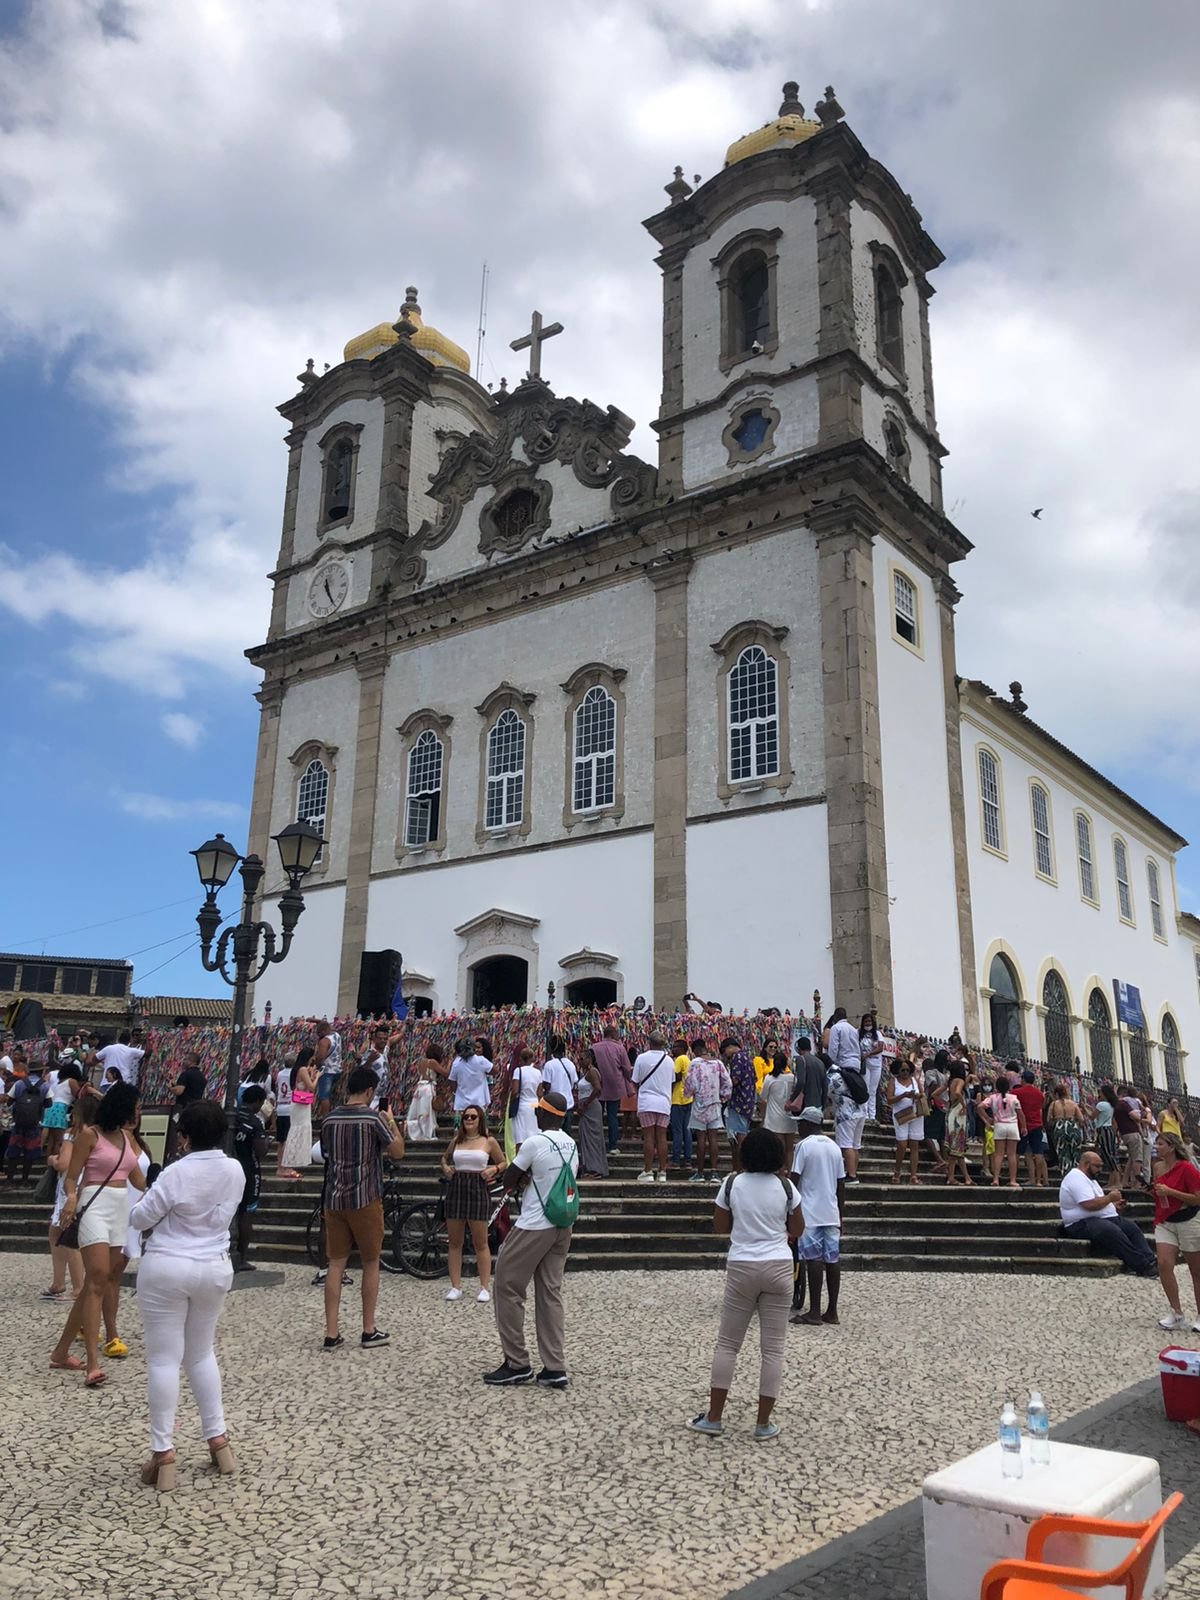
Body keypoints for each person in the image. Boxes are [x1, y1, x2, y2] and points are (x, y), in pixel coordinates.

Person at [128, 1098, 246, 1491]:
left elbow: (140, 1217)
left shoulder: (177, 1172)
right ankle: (218, 1440)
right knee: (202, 1353)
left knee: (164, 1359)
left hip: (168, 1265)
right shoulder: (235, 1170)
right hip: (213, 1265)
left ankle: (163, 1452)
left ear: (185, 1136)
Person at [688, 1127, 803, 1440]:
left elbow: (720, 1227)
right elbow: (798, 1228)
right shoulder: (786, 1186)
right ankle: (763, 1423)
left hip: (742, 1264)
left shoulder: (732, 1183)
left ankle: (714, 1417)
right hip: (779, 1264)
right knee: (773, 1349)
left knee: (728, 1344)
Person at [49, 1081, 146, 1386]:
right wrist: (72, 1199)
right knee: (98, 1278)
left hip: (120, 1210)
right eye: (136, 1106)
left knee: (98, 1282)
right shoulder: (90, 1135)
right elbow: (71, 1177)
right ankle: (92, 1362)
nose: (139, 1111)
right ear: (123, 1106)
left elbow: (139, 1180)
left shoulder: (128, 1138)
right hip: (93, 1204)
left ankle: (62, 1350)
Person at [485, 1091, 579, 1387]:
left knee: (506, 1283)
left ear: (545, 1114)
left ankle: (517, 1361)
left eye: (539, 1110)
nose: (535, 1114)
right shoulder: (571, 1143)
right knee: (550, 1292)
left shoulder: (536, 1142)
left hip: (534, 1224)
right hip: (562, 1223)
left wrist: (521, 1176)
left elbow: (510, 1178)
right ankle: (554, 1366)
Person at [319, 1064, 405, 1349]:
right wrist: (390, 1121)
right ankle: (368, 1329)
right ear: (369, 1090)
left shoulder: (329, 1119)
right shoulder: (373, 1118)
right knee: (370, 1261)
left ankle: (331, 1333)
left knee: (336, 1263)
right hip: (365, 1196)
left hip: (334, 1197)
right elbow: (398, 1152)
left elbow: (327, 1153)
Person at [440, 1106, 506, 1303]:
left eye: (473, 1116)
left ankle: (484, 1286)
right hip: (457, 1186)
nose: (469, 1119)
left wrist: (493, 1169)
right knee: (454, 1241)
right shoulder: (457, 1140)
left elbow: (503, 1162)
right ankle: (455, 1286)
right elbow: (444, 1158)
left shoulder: (489, 1141)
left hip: (477, 1187)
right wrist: (445, 1168)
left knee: (480, 1242)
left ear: (480, 1119)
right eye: (466, 1116)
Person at [1058, 1147, 1157, 1276]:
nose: (1100, 1170)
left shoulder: (1090, 1179)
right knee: (1111, 1231)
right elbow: (1089, 1204)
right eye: (1097, 1166)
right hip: (1080, 1223)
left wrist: (1112, 1204)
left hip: (1100, 1218)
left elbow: (1098, 1200)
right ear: (1086, 1164)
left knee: (1130, 1227)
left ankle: (1150, 1260)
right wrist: (1110, 1198)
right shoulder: (1075, 1178)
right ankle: (1142, 1265)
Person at [790, 1106, 846, 1325]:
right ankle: (832, 1310)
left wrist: (789, 1210)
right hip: (831, 1211)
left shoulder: (803, 1146)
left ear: (809, 1124)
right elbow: (841, 1184)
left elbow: (794, 1178)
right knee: (832, 1260)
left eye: (800, 1122)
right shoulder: (834, 1147)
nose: (798, 1126)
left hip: (810, 1211)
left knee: (812, 1259)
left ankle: (814, 1311)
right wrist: (841, 1214)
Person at [42, 1093, 94, 1302]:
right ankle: (58, 1282)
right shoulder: (96, 1134)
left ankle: (76, 1287)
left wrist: (53, 1160)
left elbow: (63, 1163)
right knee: (55, 1233)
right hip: (85, 1182)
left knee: (67, 1237)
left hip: (69, 1186)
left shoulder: (73, 1134)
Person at [1152, 1130, 1200, 1333]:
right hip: (1166, 1220)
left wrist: (1171, 1192)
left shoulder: (1187, 1168)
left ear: (1171, 1147)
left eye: (1160, 1144)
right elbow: (1159, 1192)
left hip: (1188, 1218)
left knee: (1196, 1271)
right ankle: (1176, 1312)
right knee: (1164, 1264)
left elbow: (1197, 1198)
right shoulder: (1157, 1167)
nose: (1157, 1147)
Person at [231, 1084, 268, 1272]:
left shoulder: (232, 1117)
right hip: (249, 1170)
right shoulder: (254, 1122)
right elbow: (261, 1151)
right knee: (247, 1212)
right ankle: (242, 1257)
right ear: (258, 1102)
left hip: (229, 1166)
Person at [631, 1032, 675, 1183]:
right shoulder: (669, 1061)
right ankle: (662, 1172)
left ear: (649, 1042)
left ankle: (648, 1170)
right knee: (661, 1137)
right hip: (664, 1102)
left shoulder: (641, 1058)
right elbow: (672, 1081)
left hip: (647, 1101)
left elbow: (635, 1080)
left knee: (649, 1137)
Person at [685, 1040, 731, 1184]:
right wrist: (723, 1096)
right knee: (713, 1139)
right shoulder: (718, 1063)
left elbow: (689, 1084)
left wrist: (689, 1094)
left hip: (699, 1104)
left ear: (694, 1051)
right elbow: (728, 1083)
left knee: (700, 1139)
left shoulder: (694, 1064)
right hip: (715, 1104)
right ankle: (714, 1172)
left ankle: (700, 1172)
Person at [979, 1072, 1026, 1190]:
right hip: (1012, 1126)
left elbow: (979, 1107)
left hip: (999, 1125)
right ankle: (1013, 1180)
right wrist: (1024, 1127)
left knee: (998, 1154)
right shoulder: (1014, 1098)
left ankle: (995, 1179)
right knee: (1011, 1154)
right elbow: (1021, 1114)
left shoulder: (993, 1098)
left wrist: (987, 1118)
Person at [591, 1026, 632, 1153]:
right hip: (615, 1086)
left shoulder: (594, 1047)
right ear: (614, 1034)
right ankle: (613, 1146)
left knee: (597, 1116)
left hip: (597, 1085)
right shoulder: (620, 1048)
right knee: (612, 1116)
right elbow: (627, 1068)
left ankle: (596, 1145)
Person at [6, 1057, 46, 1185]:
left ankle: (9, 1180)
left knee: (13, 1152)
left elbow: (9, 1101)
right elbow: (49, 1103)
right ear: (41, 1071)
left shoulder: (18, 1084)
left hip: (18, 1124)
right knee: (30, 1154)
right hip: (34, 1125)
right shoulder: (45, 1086)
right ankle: (25, 1180)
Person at [759, 1051, 798, 1171]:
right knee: (790, 1148)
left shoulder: (770, 1079)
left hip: (774, 1118)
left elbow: (763, 1096)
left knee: (779, 1148)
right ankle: (790, 1172)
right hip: (790, 1117)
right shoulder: (792, 1078)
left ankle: (781, 1172)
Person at [887, 1060, 925, 1184]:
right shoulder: (893, 1082)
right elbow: (889, 1100)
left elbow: (922, 1094)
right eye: (903, 1070)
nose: (905, 1073)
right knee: (902, 1145)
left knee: (914, 1144)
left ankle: (913, 1175)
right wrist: (903, 1095)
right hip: (901, 1115)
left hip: (915, 1114)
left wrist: (917, 1096)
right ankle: (897, 1171)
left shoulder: (915, 1081)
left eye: (908, 1070)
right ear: (897, 1070)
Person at [281, 1046, 317, 1177]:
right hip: (300, 1105)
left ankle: (290, 1164)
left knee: (297, 1131)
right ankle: (288, 1164)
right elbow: (311, 1086)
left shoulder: (299, 1069)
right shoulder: (302, 1069)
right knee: (296, 1131)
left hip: (300, 1103)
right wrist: (318, 1076)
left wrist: (312, 1074)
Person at [722, 1038, 757, 1171]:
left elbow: (734, 1080)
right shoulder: (747, 1058)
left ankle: (739, 1169)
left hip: (737, 1103)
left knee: (737, 1138)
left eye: (725, 1052)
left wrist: (722, 1088)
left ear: (730, 1047)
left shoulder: (737, 1058)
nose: (726, 1056)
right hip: (747, 1102)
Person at [1011, 1067, 1049, 1187]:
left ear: (1023, 1079)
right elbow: (1041, 1108)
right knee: (1038, 1153)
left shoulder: (1017, 1093)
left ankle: (1014, 1178)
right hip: (1037, 1124)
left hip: (1022, 1126)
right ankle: (1038, 1180)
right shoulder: (1039, 1094)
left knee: (1017, 1153)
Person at [574, 1047, 608, 1178]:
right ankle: (589, 1166)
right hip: (586, 1107)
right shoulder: (586, 1073)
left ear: (589, 1059)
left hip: (591, 1107)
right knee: (586, 1137)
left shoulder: (592, 1072)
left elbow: (597, 1089)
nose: (580, 1061)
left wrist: (586, 1103)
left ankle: (594, 1169)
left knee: (592, 1138)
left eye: (582, 1059)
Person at [41, 1060, 80, 1160]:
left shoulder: (59, 1083)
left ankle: (49, 1161)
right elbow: (78, 1095)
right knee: (59, 1140)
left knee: (51, 1140)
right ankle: (56, 1161)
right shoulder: (72, 1081)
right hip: (61, 1109)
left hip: (51, 1108)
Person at [448, 1038, 493, 1123]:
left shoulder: (456, 1063)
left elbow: (452, 1081)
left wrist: (457, 1092)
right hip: (479, 1102)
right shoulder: (481, 1060)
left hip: (461, 1103)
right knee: (479, 1130)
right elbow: (494, 1070)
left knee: (461, 1129)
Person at [1046, 1081, 1085, 1179]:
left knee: (1063, 1153)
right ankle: (1076, 1174)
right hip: (1072, 1126)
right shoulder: (1072, 1103)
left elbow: (1048, 1119)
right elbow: (1081, 1119)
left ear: (1056, 1093)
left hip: (1059, 1127)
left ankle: (1066, 1175)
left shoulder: (1054, 1104)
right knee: (1075, 1153)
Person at [540, 1037, 579, 1134]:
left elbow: (546, 1085)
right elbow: (574, 1083)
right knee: (567, 1133)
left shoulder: (549, 1065)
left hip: (554, 1105)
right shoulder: (571, 1064)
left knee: (554, 1132)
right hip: (568, 1105)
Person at [943, 1063, 972, 1186]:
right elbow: (958, 1093)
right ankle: (951, 1177)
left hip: (951, 1113)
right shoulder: (959, 1081)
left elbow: (935, 1094)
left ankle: (967, 1178)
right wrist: (964, 1107)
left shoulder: (950, 1082)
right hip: (958, 1116)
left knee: (957, 1150)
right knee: (956, 1149)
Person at [785, 1037, 828, 1122]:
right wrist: (822, 1104)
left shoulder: (801, 1060)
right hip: (817, 1104)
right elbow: (825, 1086)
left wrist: (791, 1099)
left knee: (805, 1129)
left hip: (805, 1104)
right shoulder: (820, 1062)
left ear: (798, 1048)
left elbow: (801, 1082)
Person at [1113, 1086, 1145, 1188]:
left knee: (1131, 1158)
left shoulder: (1116, 1106)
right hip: (1133, 1132)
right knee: (1137, 1158)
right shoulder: (1124, 1104)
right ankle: (1138, 1182)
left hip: (1124, 1133)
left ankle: (1124, 1181)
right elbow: (1135, 1116)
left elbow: (1114, 1123)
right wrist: (1140, 1116)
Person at [670, 1037, 694, 1167]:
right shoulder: (688, 1060)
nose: (673, 1049)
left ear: (681, 1049)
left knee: (677, 1131)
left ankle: (675, 1159)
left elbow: (676, 1076)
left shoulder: (679, 1059)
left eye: (675, 1047)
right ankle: (688, 1159)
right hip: (688, 1098)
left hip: (678, 1099)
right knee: (687, 1131)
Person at [858, 1012, 887, 1119]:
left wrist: (868, 1054)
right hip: (865, 1065)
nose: (867, 1024)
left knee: (873, 1090)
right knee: (865, 1088)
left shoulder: (878, 1034)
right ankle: (865, 1114)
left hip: (876, 1065)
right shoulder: (859, 1033)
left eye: (869, 1021)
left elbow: (880, 1048)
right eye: (865, 1021)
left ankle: (872, 1115)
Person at [313, 1019, 343, 1117]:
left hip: (326, 1072)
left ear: (323, 1031)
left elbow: (321, 1056)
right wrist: (315, 1020)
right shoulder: (337, 1035)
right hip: (338, 1070)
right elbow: (325, 1025)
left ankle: (325, 1118)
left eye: (319, 1032)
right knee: (334, 1095)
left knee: (324, 1096)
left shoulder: (324, 1041)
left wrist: (316, 1065)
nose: (318, 1035)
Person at [1094, 1082, 1120, 1177]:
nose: (1098, 1095)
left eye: (1100, 1093)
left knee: (1108, 1154)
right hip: (1108, 1129)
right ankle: (1114, 1178)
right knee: (1110, 1153)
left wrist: (1084, 1108)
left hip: (1103, 1130)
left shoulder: (1100, 1105)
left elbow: (1093, 1116)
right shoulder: (1110, 1105)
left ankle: (1115, 1176)